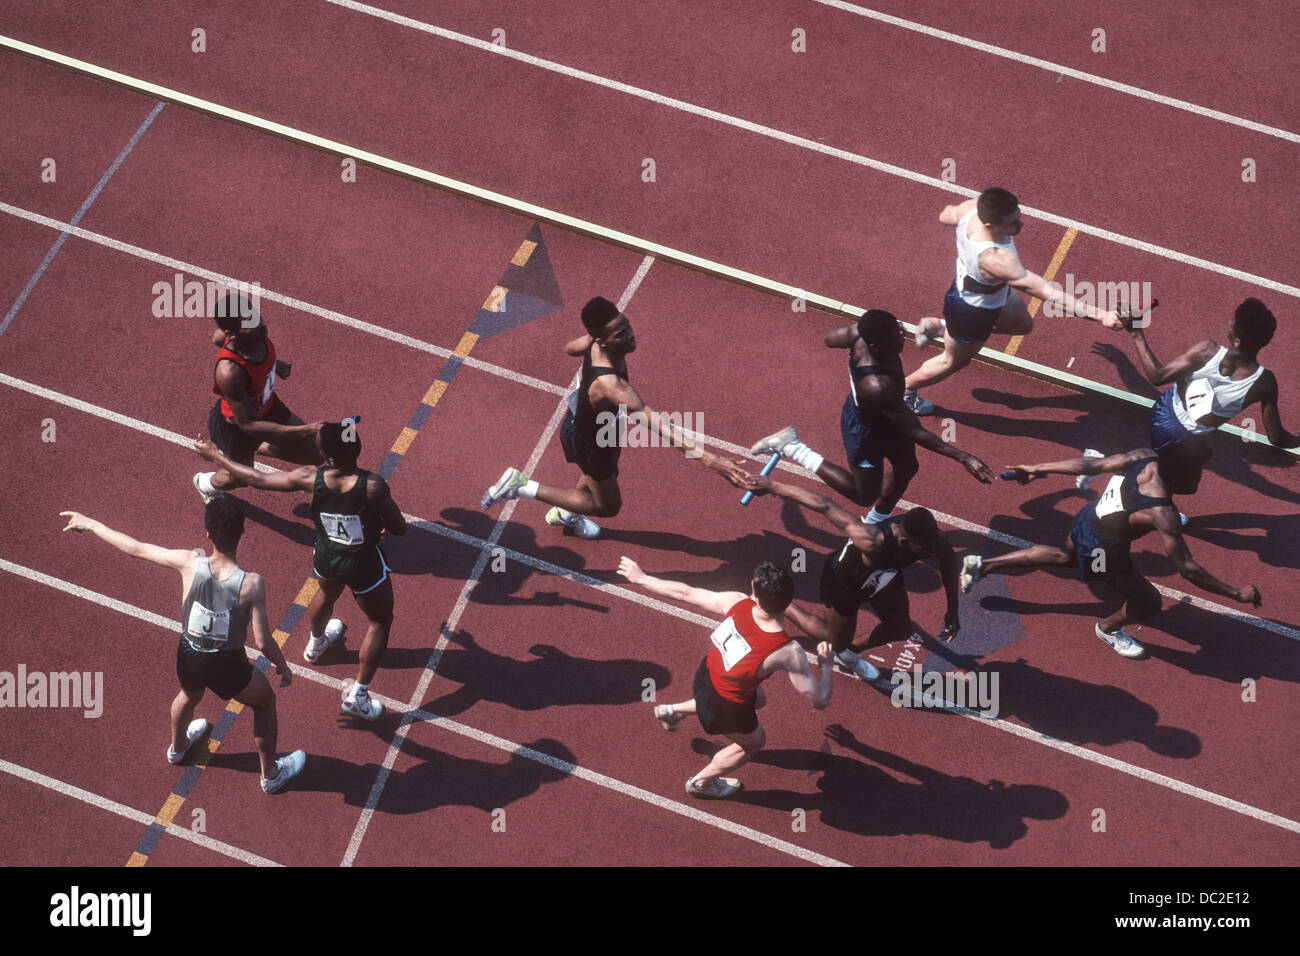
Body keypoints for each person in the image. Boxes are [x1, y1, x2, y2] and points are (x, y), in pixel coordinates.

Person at [59, 499, 305, 793]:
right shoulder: (251, 583)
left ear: (207, 534)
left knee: (189, 693)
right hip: (227, 663)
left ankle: (178, 750)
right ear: (241, 533)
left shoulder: (189, 562)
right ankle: (271, 775)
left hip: (189, 653)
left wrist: (92, 524)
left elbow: (136, 549)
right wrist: (283, 666)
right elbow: (263, 641)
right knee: (264, 703)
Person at [481, 296, 749, 538]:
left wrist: (587, 344)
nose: (630, 336)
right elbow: (658, 425)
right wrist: (711, 460)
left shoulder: (593, 342)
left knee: (604, 475)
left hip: (601, 428)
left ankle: (566, 514)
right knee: (608, 506)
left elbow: (569, 348)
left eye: (627, 326)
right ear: (603, 339)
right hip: (591, 441)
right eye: (621, 334)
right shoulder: (612, 386)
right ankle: (523, 487)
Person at [196, 419, 407, 720]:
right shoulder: (373, 486)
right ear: (357, 449)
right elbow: (399, 528)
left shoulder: (310, 477)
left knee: (326, 591)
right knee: (379, 622)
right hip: (363, 563)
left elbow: (256, 479)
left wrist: (215, 456)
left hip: (326, 554)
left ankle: (316, 643)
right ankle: (358, 696)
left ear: (326, 456)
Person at [961, 448, 1261, 658]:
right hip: (1104, 548)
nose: (1201, 478)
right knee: (1148, 601)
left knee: (1065, 558)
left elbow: (1092, 466)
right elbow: (1187, 568)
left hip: (1088, 516)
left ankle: (982, 566)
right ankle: (1107, 629)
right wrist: (1235, 594)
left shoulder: (1144, 456)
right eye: (1196, 474)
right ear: (1178, 479)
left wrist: (1039, 468)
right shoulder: (1162, 514)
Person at [617, 558, 834, 799]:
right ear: (789, 599)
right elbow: (820, 700)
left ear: (754, 592)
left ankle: (674, 711)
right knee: (754, 743)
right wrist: (826, 666)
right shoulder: (788, 651)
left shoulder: (736, 601)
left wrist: (642, 578)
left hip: (705, 677)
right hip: (725, 708)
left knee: (758, 698)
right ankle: (701, 783)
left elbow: (685, 592)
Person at [749, 309, 992, 524]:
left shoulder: (859, 333)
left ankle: (875, 521)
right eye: (895, 337)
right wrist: (964, 457)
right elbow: (916, 431)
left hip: (888, 416)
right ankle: (793, 447)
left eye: (898, 328)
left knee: (907, 467)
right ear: (875, 346)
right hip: (866, 431)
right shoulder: (876, 385)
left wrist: (854, 339)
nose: (902, 335)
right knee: (863, 495)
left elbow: (829, 338)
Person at [904, 187, 1123, 414]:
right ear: (990, 225)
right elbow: (1049, 294)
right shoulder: (997, 259)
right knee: (953, 362)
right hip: (971, 310)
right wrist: (1101, 315)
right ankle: (905, 389)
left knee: (1022, 325)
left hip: (989, 290)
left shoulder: (972, 208)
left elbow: (945, 214)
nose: (1020, 226)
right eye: (1012, 223)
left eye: (1019, 216)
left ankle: (941, 328)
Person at [742, 473, 963, 681]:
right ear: (905, 541)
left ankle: (849, 656)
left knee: (900, 628)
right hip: (844, 581)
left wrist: (952, 608)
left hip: (882, 576)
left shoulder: (933, 540)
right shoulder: (871, 539)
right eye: (924, 548)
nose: (931, 550)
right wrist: (772, 486)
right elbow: (825, 505)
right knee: (834, 639)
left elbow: (949, 563)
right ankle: (780, 602)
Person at [1124, 297, 1297, 483]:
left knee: (1187, 469)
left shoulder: (1207, 351)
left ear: (1237, 340)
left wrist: (1136, 332)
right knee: (1175, 481)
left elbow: (1158, 376)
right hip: (1188, 439)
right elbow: (1277, 437)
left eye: (1233, 322)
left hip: (1163, 412)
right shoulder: (1265, 382)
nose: (1229, 322)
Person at [193, 291, 323, 502]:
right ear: (232, 333)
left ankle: (259, 447)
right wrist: (305, 429)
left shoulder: (253, 334)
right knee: (239, 479)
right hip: (238, 428)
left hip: (268, 407)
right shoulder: (229, 373)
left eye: (255, 314)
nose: (260, 324)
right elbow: (248, 425)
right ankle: (205, 484)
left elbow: (217, 337)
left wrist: (273, 364)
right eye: (249, 323)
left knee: (315, 454)